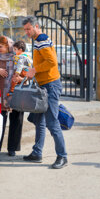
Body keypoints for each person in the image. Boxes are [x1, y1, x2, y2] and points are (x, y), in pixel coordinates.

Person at [22, 16, 68, 169]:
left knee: (52, 122)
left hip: (50, 86)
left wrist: (34, 70)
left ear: (36, 26)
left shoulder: (41, 38)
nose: (27, 32)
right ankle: (37, 153)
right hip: (44, 85)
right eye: (25, 30)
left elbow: (51, 61)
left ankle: (62, 156)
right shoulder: (38, 40)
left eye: (29, 29)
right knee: (38, 120)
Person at [0, 36, 24, 157]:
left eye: (1, 47)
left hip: (16, 93)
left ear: (8, 46)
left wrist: (21, 78)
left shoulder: (18, 58)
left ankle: (12, 148)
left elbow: (25, 73)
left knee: (16, 120)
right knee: (0, 121)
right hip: (1, 96)